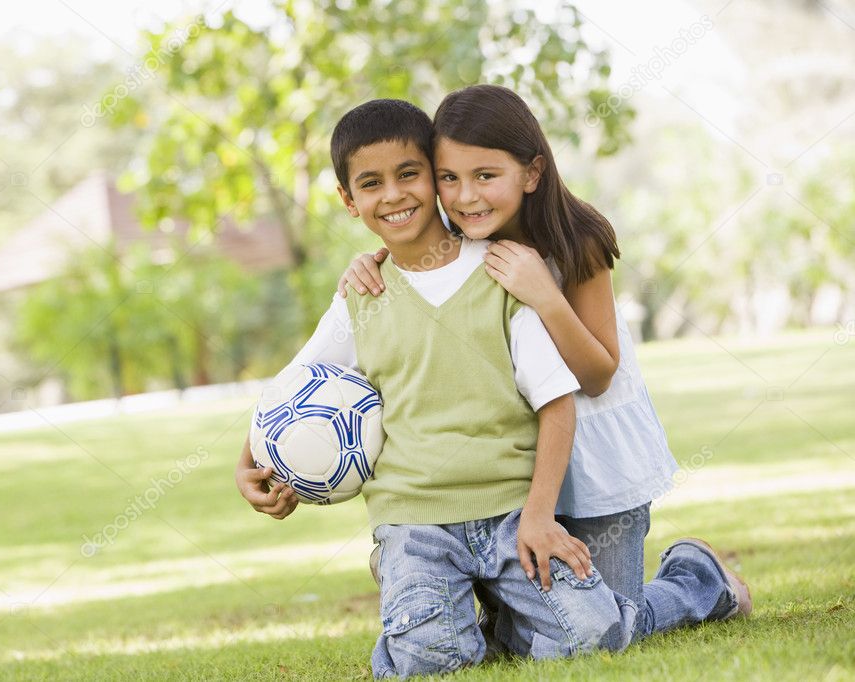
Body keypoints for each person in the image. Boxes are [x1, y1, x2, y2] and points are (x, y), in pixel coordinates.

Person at [236, 98, 636, 678]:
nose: (394, 195)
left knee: (590, 633)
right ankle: (417, 601)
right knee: (433, 658)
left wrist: (540, 515)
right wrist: (247, 464)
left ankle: (690, 582)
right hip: (414, 522)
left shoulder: (502, 273)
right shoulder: (360, 297)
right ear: (349, 202)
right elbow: (286, 394)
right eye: (371, 184)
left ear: (433, 176)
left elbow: (559, 402)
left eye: (410, 174)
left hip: (509, 513)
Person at [335, 84, 751, 642]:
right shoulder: (460, 245)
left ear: (531, 173)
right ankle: (420, 572)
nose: (465, 197)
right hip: (513, 466)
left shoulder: (577, 241)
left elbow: (599, 376)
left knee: (606, 621)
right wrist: (369, 264)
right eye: (450, 178)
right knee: (534, 608)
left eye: (486, 176)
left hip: (595, 455)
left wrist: (544, 295)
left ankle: (698, 579)